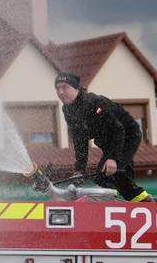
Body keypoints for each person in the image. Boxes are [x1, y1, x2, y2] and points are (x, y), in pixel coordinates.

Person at [54, 72, 151, 202]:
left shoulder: (94, 102)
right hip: (108, 140)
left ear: (76, 88)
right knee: (115, 173)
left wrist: (112, 158)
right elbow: (79, 139)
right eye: (57, 88)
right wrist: (79, 170)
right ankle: (140, 200)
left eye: (64, 87)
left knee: (106, 174)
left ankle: (135, 202)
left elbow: (118, 130)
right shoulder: (67, 109)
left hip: (127, 135)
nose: (60, 92)